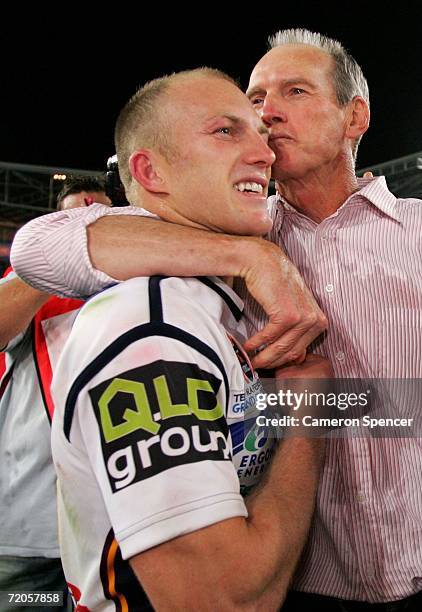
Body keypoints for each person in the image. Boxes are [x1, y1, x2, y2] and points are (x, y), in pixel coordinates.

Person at [11, 29, 422, 611]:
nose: (268, 113)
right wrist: (253, 256)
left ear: (355, 116)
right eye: (255, 98)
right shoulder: (226, 229)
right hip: (302, 580)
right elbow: (38, 247)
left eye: (294, 91)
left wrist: (361, 406)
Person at [17, 68, 330, 610]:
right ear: (150, 170)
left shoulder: (215, 304)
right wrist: (308, 422)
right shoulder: (149, 329)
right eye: (226, 131)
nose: (266, 152)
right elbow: (223, 600)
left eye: (259, 133)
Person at [0, 175, 110, 611]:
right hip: (31, 535)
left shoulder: (141, 286)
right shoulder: (26, 282)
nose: (83, 228)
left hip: (110, 535)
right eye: (70, 220)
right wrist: (60, 257)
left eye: (97, 219)